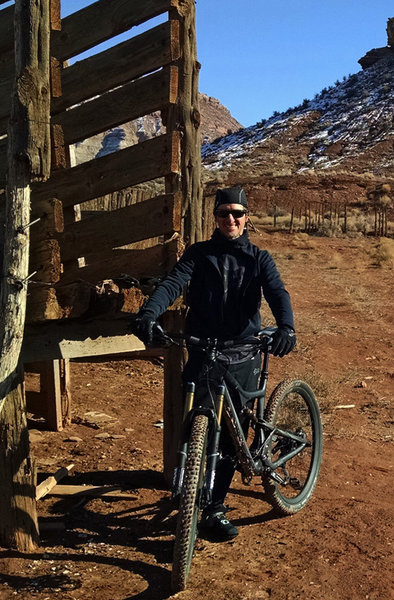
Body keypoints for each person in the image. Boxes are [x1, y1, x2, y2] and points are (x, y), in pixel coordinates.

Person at [131, 186, 296, 540]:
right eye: (224, 214)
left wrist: (287, 327)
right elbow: (173, 283)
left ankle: (216, 507)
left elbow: (277, 292)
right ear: (216, 218)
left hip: (243, 351)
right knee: (198, 424)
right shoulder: (199, 254)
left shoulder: (258, 258)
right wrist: (149, 312)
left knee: (233, 437)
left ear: (247, 217)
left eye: (237, 213)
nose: (231, 220)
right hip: (204, 349)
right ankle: (193, 489)